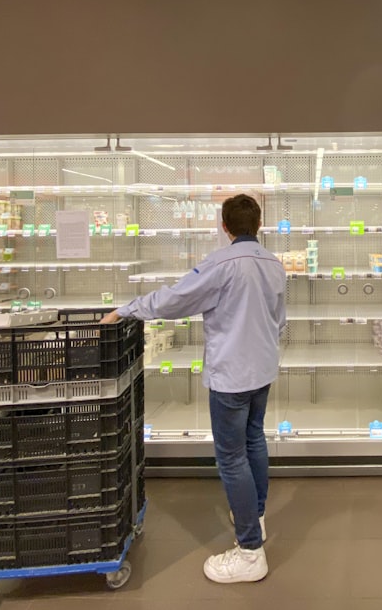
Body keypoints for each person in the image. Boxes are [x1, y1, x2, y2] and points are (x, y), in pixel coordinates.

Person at [101, 193, 286, 583]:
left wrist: (127, 309)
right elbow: (278, 319)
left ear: (224, 226)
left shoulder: (221, 264)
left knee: (232, 458)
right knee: (255, 441)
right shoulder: (274, 264)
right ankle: (257, 516)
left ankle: (250, 551)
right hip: (262, 371)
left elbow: (174, 300)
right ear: (259, 224)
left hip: (231, 376)